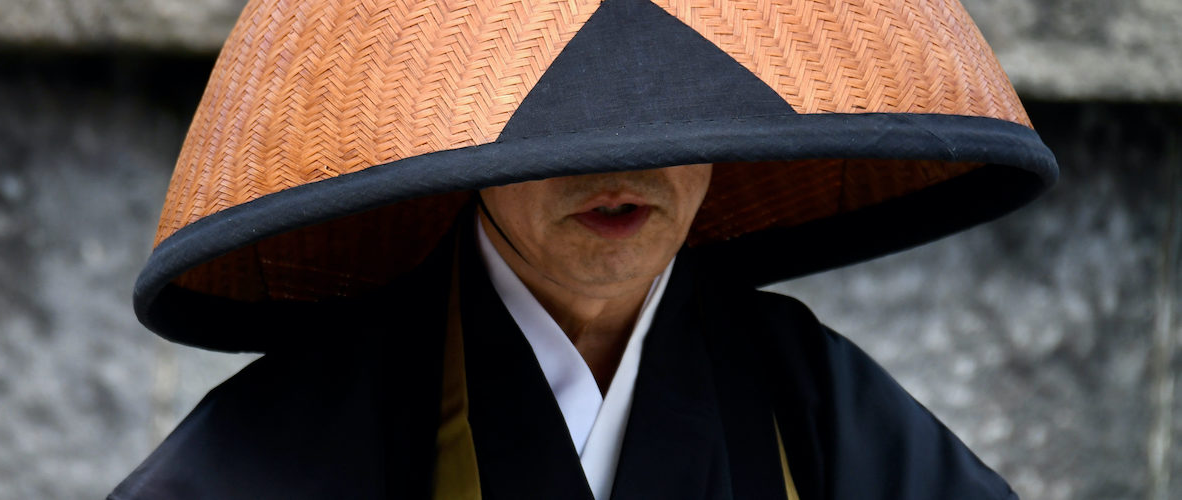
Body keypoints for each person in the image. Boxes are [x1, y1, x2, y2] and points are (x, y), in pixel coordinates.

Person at [110, 0, 1058, 498]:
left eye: (676, 119)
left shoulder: (804, 402)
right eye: (565, 130)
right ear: (461, 136)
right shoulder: (307, 436)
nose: (624, 167)